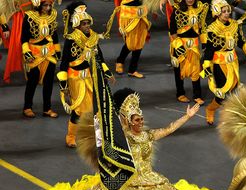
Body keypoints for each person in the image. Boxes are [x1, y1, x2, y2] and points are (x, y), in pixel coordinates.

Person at [39, 24, 237, 190]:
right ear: (126, 120)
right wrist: (101, 120)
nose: (140, 122)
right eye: (136, 119)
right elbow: (103, 136)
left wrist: (187, 117)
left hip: (150, 181)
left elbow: (168, 129)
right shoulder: (120, 137)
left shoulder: (146, 135)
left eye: (141, 118)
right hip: (125, 182)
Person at [57, 1, 114, 147]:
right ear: (77, 25)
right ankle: (71, 136)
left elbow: (99, 57)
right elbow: (64, 63)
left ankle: (89, 135)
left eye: (88, 23)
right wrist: (63, 86)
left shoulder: (94, 37)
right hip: (76, 79)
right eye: (84, 23)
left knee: (93, 108)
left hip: (91, 76)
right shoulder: (71, 40)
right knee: (78, 110)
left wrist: (107, 72)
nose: (87, 25)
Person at [201, 0, 246, 125]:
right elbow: (209, 49)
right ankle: (210, 109)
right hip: (219, 64)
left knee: (233, 89)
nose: (227, 13)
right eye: (224, 11)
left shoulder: (234, 25)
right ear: (217, 13)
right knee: (222, 93)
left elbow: (240, 41)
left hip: (233, 63)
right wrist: (207, 66)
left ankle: (229, 115)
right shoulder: (212, 29)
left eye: (228, 11)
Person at [21, 0, 60, 118]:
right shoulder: (29, 17)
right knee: (32, 81)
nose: (48, 8)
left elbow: (54, 35)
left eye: (49, 5)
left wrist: (57, 50)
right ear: (39, 5)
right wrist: (26, 52)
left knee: (48, 82)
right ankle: (27, 107)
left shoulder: (52, 16)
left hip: (49, 53)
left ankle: (47, 108)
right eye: (45, 5)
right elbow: (23, 37)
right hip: (34, 54)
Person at [169, 0, 209, 105]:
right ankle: (180, 93)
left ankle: (197, 95)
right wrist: (178, 45)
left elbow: (202, 28)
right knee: (179, 71)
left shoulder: (200, 9)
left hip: (194, 47)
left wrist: (204, 42)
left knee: (196, 70)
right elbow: (172, 31)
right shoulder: (177, 10)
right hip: (180, 45)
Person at [114, 0, 150, 78]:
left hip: (142, 11)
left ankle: (132, 70)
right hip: (129, 13)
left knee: (139, 42)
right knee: (130, 43)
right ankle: (120, 61)